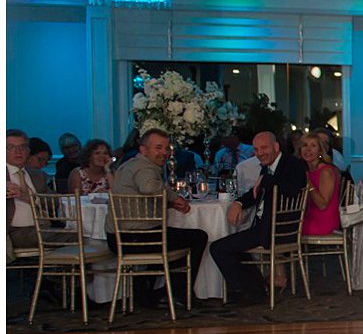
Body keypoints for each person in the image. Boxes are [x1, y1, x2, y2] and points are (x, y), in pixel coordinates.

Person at [109, 129, 208, 306]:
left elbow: (141, 195)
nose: (164, 152)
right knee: (198, 237)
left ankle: (148, 291)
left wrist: (168, 203)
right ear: (143, 150)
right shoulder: (144, 167)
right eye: (158, 148)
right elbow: (148, 187)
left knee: (170, 239)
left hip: (118, 236)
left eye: (166, 148)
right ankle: (178, 292)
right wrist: (174, 197)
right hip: (135, 237)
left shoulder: (129, 165)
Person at [209, 130, 307, 303]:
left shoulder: (293, 164)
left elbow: (291, 190)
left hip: (278, 229)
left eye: (264, 148)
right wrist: (238, 203)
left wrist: (266, 180)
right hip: (265, 226)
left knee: (218, 248)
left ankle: (248, 291)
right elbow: (255, 192)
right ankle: (255, 289)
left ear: (276, 146)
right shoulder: (268, 167)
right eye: (256, 149)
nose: (259, 153)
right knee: (229, 246)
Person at [296, 132, 341, 237]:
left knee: (286, 229)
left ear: (320, 150)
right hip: (308, 217)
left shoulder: (326, 171)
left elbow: (322, 204)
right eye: (305, 145)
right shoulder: (307, 170)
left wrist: (308, 183)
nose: (308, 149)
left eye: (313, 146)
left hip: (323, 222)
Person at [7, 129, 43, 249]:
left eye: (22, 147)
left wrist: (31, 198)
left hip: (41, 227)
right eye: (10, 147)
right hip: (12, 232)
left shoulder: (38, 175)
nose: (18, 151)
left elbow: (55, 203)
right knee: (79, 236)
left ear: (28, 151)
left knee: (80, 233)